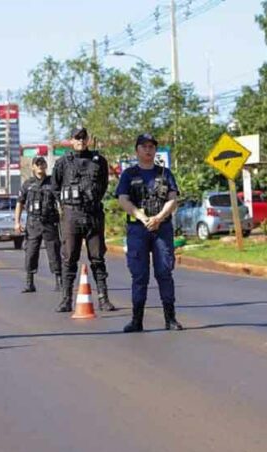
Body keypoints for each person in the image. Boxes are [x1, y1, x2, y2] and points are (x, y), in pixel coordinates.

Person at [116, 133, 183, 332]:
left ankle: (170, 319)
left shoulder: (165, 173)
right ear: (137, 150)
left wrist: (159, 217)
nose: (148, 150)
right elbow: (123, 199)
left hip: (161, 228)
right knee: (139, 275)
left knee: (164, 272)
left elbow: (172, 199)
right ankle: (137, 320)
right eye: (144, 146)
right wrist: (142, 217)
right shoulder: (129, 174)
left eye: (151, 147)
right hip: (138, 229)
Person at [51, 126, 116, 313]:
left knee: (97, 257)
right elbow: (55, 187)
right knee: (69, 257)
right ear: (71, 140)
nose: (80, 141)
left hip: (93, 214)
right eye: (76, 138)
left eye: (83, 138)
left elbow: (103, 185)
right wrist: (66, 205)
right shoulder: (63, 162)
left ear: (88, 140)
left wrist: (92, 200)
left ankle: (103, 298)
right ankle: (66, 299)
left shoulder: (99, 161)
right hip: (72, 215)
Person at [15, 156, 62, 293]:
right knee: (30, 252)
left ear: (46, 165)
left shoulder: (53, 182)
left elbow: (61, 202)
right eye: (37, 164)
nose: (40, 166)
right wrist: (17, 222)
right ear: (33, 167)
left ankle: (59, 281)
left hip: (49, 223)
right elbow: (20, 203)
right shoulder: (27, 184)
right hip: (33, 223)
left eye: (42, 163)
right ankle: (30, 283)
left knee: (54, 252)